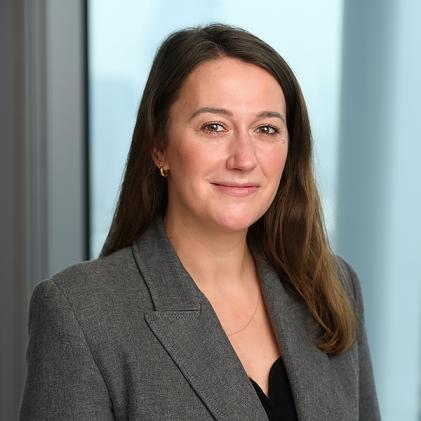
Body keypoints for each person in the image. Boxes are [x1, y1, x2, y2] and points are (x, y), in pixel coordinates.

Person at [20, 24, 381, 421]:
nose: (244, 159)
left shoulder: (330, 287)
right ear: (160, 146)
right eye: (214, 127)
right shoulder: (81, 312)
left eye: (266, 129)